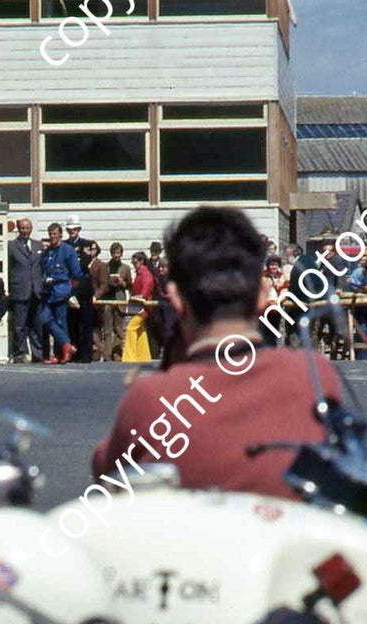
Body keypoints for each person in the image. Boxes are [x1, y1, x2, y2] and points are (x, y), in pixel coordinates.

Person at [91, 207, 344, 501]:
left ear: (177, 300)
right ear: (263, 296)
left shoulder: (149, 396)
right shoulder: (316, 374)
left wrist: (164, 375)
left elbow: (106, 473)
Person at [38, 222, 81, 364]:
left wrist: (72, 292)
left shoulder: (68, 250)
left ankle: (62, 354)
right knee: (44, 318)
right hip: (49, 292)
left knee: (61, 322)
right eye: (50, 234)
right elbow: (43, 269)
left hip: (62, 290)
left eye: (55, 234)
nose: (52, 237)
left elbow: (76, 274)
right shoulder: (47, 252)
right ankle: (66, 344)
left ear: (61, 235)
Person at [97, 242, 131, 361]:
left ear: (121, 254)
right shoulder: (105, 267)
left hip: (119, 299)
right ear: (111, 253)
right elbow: (101, 282)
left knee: (118, 328)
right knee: (107, 329)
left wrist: (123, 282)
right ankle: (107, 355)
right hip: (107, 299)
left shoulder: (125, 268)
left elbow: (129, 285)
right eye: (115, 253)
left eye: (119, 253)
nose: (117, 255)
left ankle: (117, 354)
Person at [122, 252, 156, 363]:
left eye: (135, 262)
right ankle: (143, 356)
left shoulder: (145, 274)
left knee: (131, 328)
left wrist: (135, 297)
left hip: (143, 307)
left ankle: (130, 357)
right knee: (141, 331)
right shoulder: (139, 274)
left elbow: (145, 292)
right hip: (138, 306)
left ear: (141, 261)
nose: (133, 264)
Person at [72, 239, 98, 363]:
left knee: (87, 327)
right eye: (88, 249)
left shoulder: (89, 260)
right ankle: (79, 353)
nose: (91, 252)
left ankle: (86, 354)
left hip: (87, 296)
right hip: (79, 295)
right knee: (78, 326)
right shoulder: (81, 260)